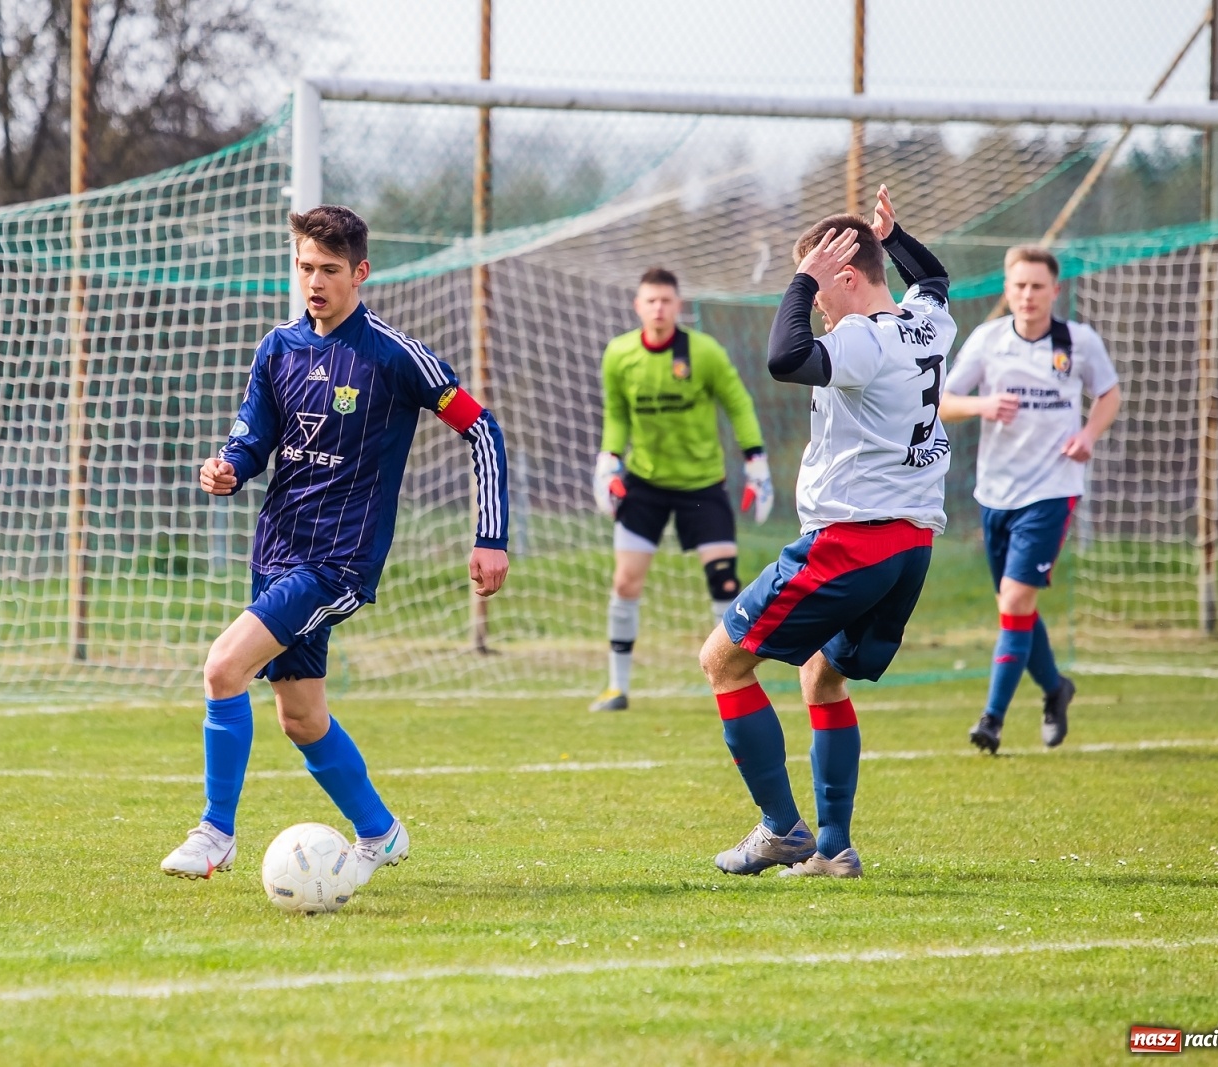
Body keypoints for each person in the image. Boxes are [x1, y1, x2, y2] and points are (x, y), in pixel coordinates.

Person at [161, 204, 510, 882]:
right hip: (277, 550)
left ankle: (215, 833)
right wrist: (227, 467)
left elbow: (482, 429)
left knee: (223, 666)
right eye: (304, 268)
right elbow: (252, 438)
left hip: (338, 559)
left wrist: (490, 535)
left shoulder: (392, 354)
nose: (314, 281)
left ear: (360, 273)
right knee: (300, 716)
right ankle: (381, 830)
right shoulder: (279, 348)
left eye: (328, 269)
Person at [698, 185, 954, 879]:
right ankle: (836, 849)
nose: (814, 303)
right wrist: (893, 237)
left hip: (852, 541)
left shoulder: (865, 339)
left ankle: (782, 829)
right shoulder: (927, 322)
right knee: (822, 677)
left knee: (722, 660)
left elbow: (785, 358)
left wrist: (803, 275)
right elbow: (933, 278)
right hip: (911, 546)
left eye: (819, 288)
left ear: (844, 274)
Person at [940, 246, 1121, 754]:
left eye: (1037, 286)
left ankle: (992, 719)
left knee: (1016, 601)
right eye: (1019, 285)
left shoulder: (1078, 342)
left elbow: (1109, 394)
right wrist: (983, 405)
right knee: (1015, 606)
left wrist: (1088, 435)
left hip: (1053, 489)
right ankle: (1055, 688)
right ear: (1007, 287)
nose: (1027, 295)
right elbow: (943, 402)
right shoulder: (988, 340)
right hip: (996, 492)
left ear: (1054, 291)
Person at [589, 267, 774, 713]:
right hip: (645, 484)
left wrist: (757, 462)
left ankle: (730, 683)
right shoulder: (619, 354)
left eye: (666, 301)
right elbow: (616, 413)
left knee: (724, 582)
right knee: (625, 581)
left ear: (678, 305)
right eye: (650, 300)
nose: (659, 308)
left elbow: (738, 402)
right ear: (638, 306)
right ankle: (617, 688)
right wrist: (608, 458)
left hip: (702, 485)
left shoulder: (703, 352)